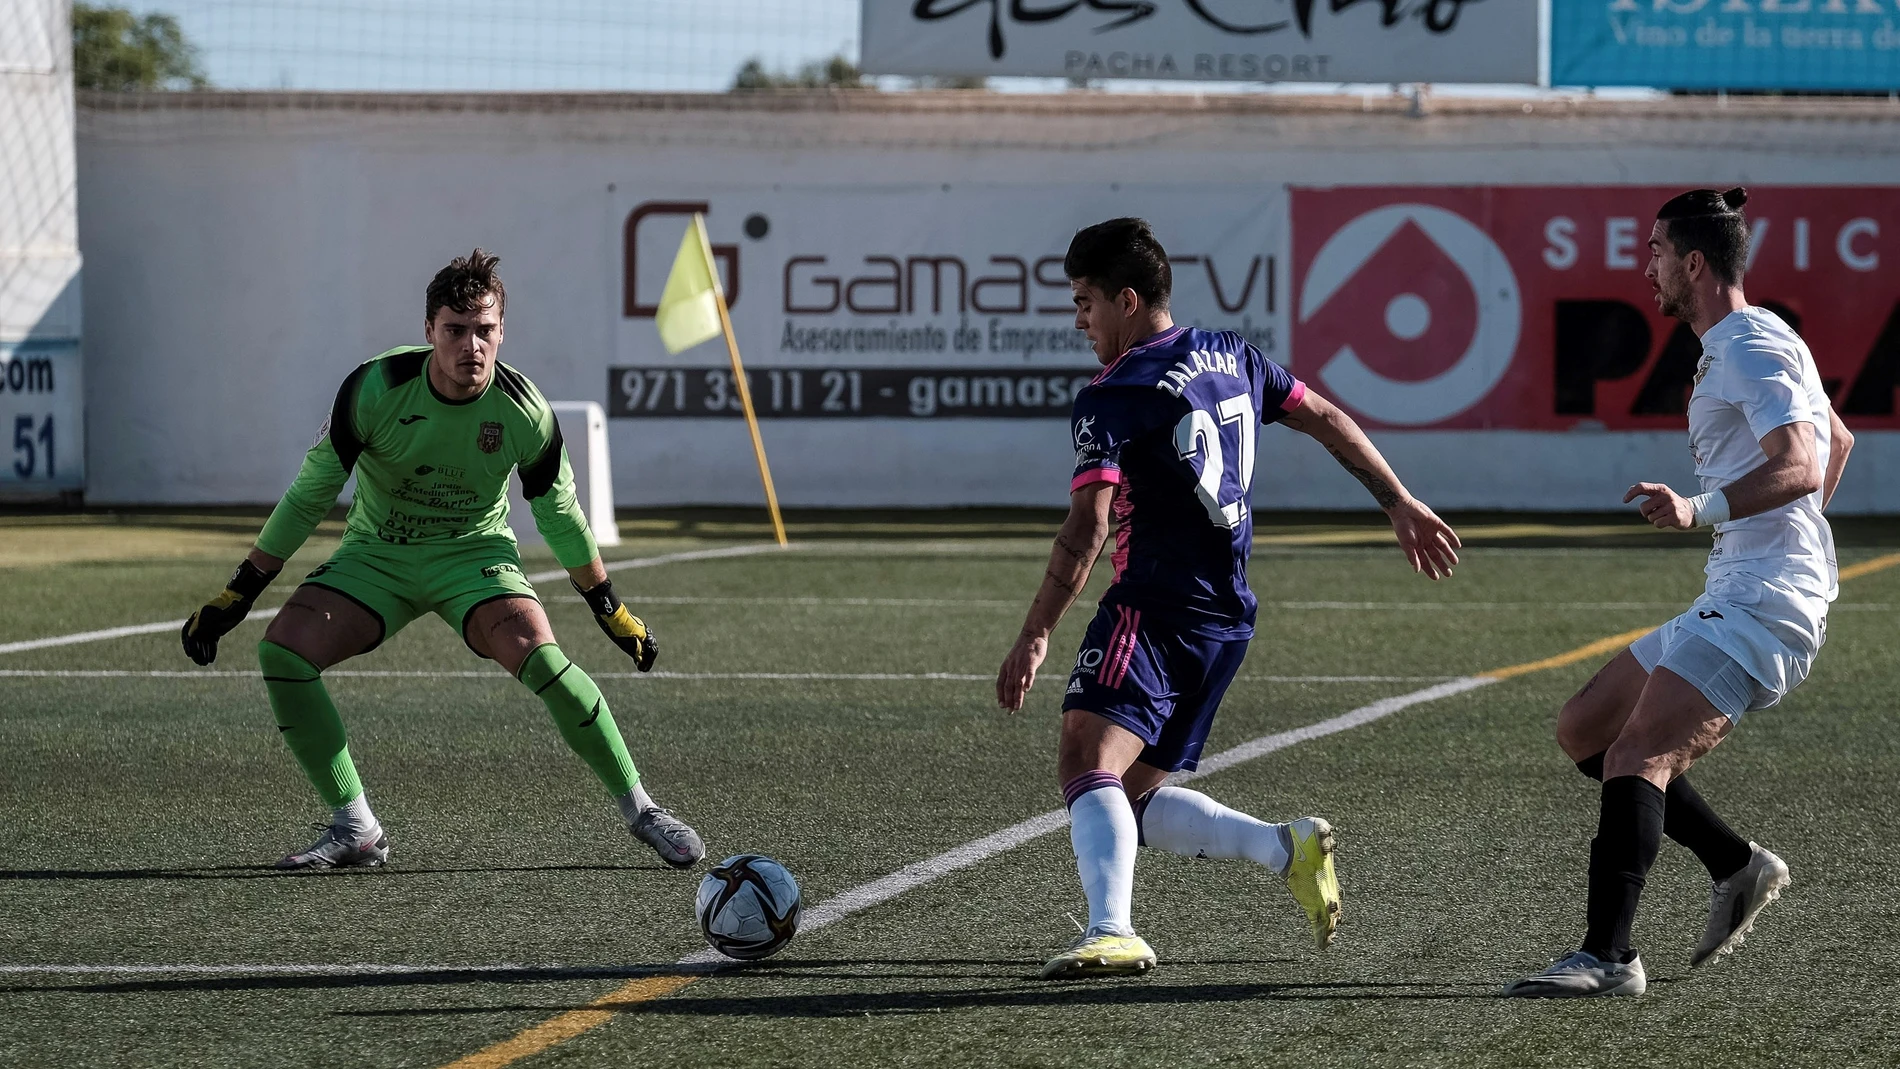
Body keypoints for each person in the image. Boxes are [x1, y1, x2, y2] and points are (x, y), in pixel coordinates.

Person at [996, 218, 1462, 979]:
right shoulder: (1231, 353)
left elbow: (1086, 530)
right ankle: (1283, 846)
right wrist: (1398, 500)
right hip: (1226, 618)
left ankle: (1112, 928)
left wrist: (1036, 632)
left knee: (1087, 756)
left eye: (1084, 302)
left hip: (1151, 606)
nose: (1078, 319)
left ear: (1126, 298)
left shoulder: (1114, 393)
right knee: (1133, 795)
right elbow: (1327, 417)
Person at [179, 249, 706, 871]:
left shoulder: (525, 411)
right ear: (429, 330)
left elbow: (559, 512)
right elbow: (310, 493)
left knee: (543, 658)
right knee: (283, 651)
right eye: (455, 330)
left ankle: (642, 809)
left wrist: (610, 608)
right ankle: (356, 826)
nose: (471, 346)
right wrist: (240, 592)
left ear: (501, 332)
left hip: (473, 556)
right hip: (379, 554)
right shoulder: (375, 389)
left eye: (484, 330)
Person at [1505, 188, 1854, 998]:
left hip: (1764, 601)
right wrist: (1781, 537)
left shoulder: (1749, 346)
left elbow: (1803, 461)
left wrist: (1707, 510)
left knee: (1638, 752)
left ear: (1694, 263)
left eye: (1657, 249)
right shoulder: (1757, 338)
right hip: (1747, 583)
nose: (1648, 265)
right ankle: (1735, 862)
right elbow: (1838, 439)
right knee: (1586, 727)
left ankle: (1608, 955)